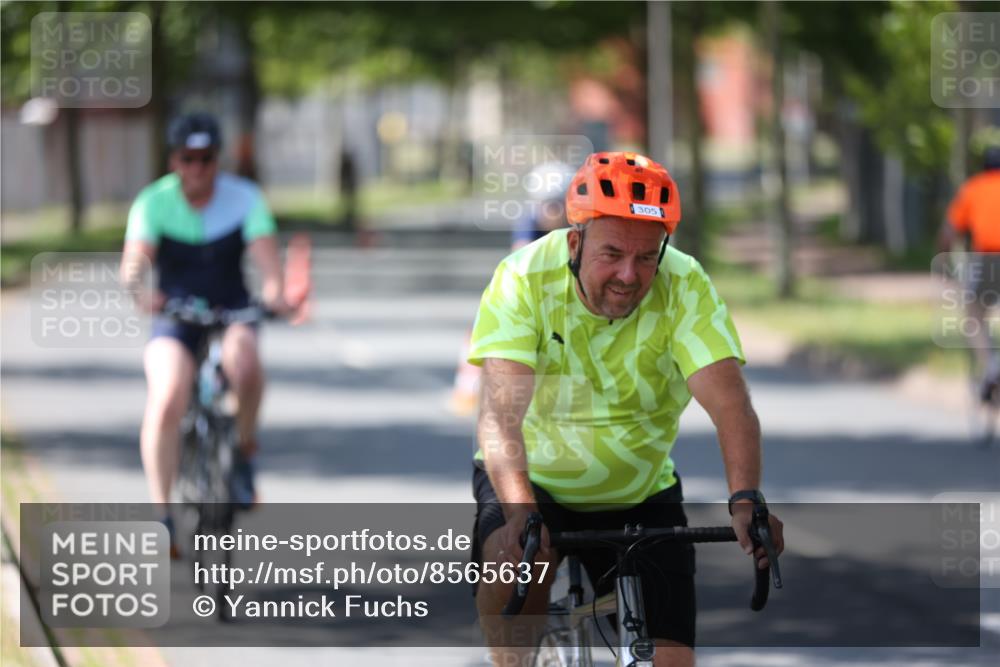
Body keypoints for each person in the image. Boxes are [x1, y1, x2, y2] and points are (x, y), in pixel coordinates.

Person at [468, 151, 785, 667]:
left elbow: (731, 406)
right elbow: (499, 419)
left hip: (640, 488)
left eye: (646, 257)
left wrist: (746, 497)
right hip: (532, 479)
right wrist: (522, 513)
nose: (629, 274)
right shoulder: (522, 278)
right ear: (575, 242)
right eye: (611, 253)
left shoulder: (684, 284)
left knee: (671, 660)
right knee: (515, 569)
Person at [120, 112, 294, 550]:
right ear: (174, 160)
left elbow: (268, 261)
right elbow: (136, 258)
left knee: (246, 365)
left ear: (218, 159)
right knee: (167, 397)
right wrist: (138, 287)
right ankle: (163, 513)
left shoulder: (244, 198)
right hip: (175, 314)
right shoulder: (153, 202)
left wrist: (274, 292)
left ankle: (244, 449)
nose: (198, 168)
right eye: (188, 158)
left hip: (232, 307)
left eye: (207, 158)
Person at [938, 145, 1000, 398]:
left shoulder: (973, 188)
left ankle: (990, 367)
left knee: (974, 315)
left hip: (987, 258)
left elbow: (948, 233)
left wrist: (943, 260)